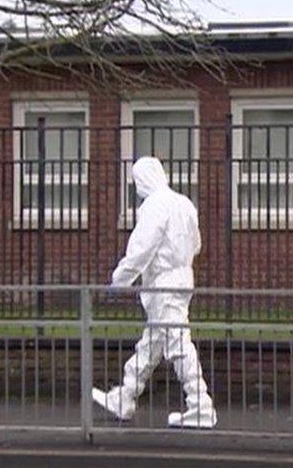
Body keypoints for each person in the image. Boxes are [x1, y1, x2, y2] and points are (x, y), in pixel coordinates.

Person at [92, 157, 217, 428]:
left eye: (137, 181)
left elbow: (141, 249)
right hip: (182, 277)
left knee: (177, 344)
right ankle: (125, 395)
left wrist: (119, 280)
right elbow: (196, 244)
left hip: (164, 283)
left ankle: (201, 404)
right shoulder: (184, 203)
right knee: (152, 344)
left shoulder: (154, 206)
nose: (137, 188)